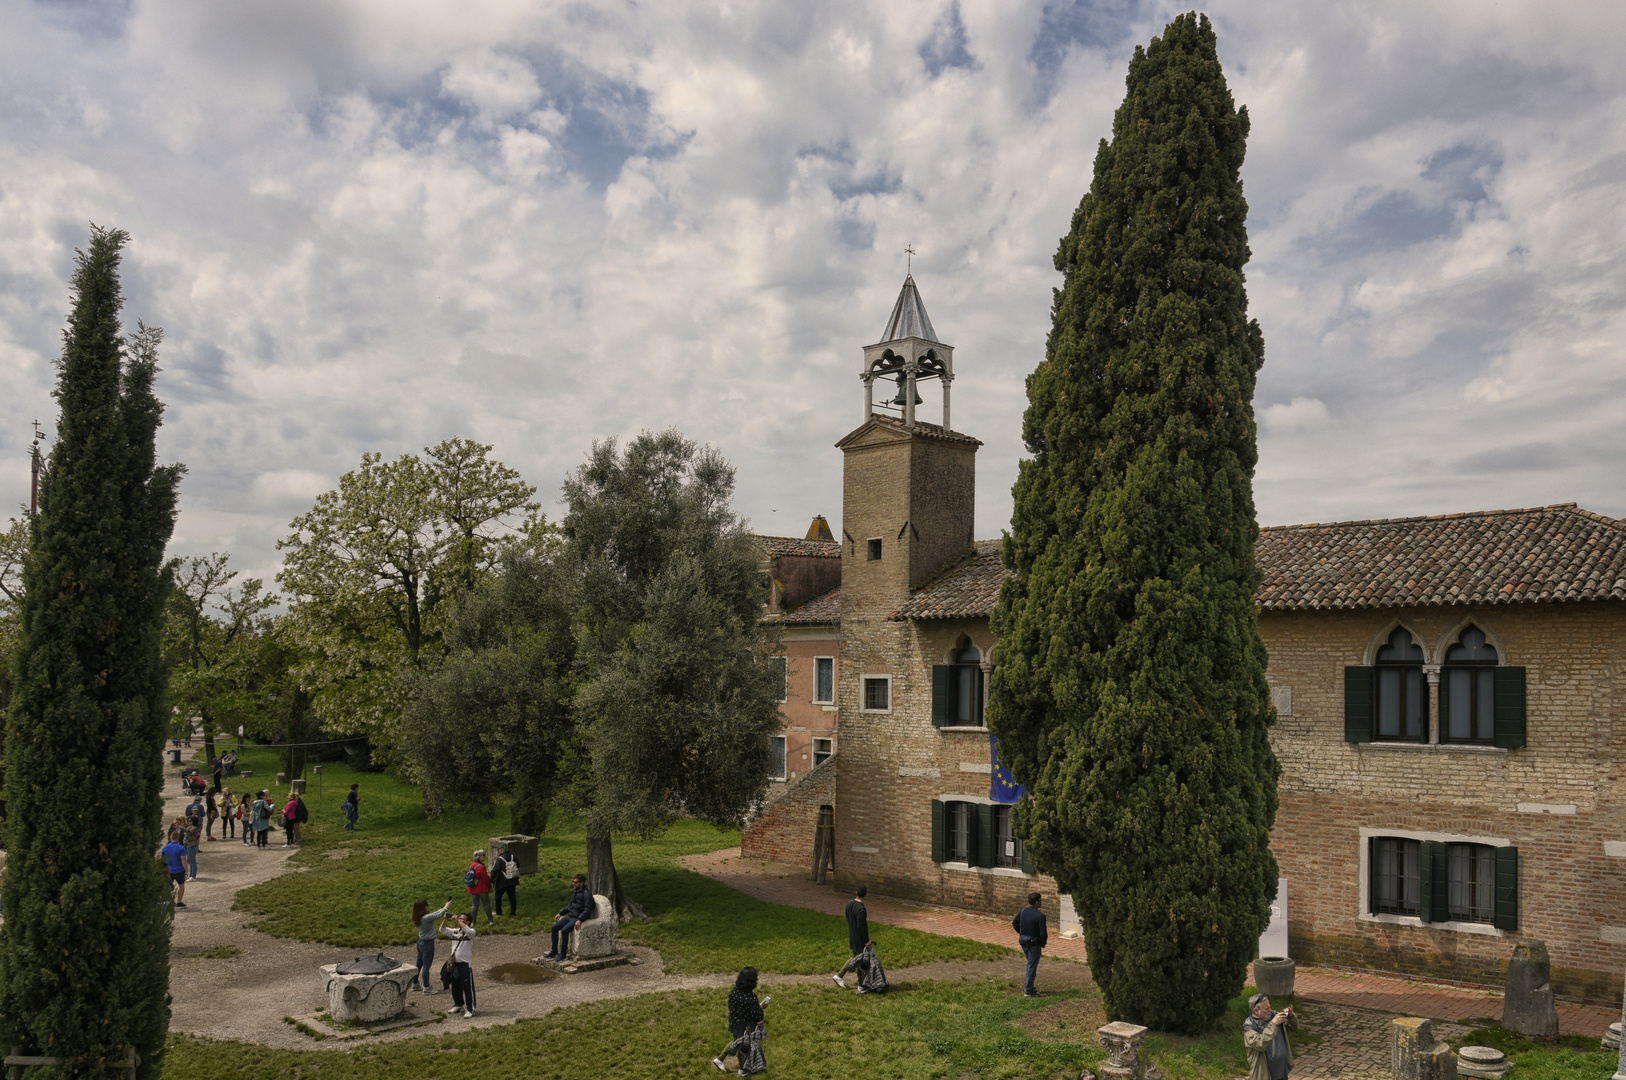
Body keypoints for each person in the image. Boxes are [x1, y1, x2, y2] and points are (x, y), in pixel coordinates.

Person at [712, 967, 768, 1075]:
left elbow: (733, 1006)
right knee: (743, 1047)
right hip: (744, 1026)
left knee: (736, 1041)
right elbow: (756, 1014)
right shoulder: (751, 997)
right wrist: (761, 1008)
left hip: (734, 1022)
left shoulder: (734, 991)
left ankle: (720, 1060)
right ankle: (742, 1069)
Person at [1244, 993, 1297, 1080]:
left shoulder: (1274, 1016)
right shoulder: (1249, 1027)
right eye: (1267, 1008)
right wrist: (1273, 1024)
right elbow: (1260, 1044)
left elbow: (1294, 1028)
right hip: (1265, 1074)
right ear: (1256, 1010)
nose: (1270, 1010)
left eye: (1270, 1007)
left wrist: (1291, 1017)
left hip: (1282, 1070)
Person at [543, 874, 594, 961]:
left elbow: (588, 909)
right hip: (571, 916)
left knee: (564, 930)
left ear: (581, 883)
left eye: (575, 882)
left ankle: (563, 954)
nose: (573, 884)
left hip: (577, 917)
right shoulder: (575, 892)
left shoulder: (586, 894)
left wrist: (580, 919)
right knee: (554, 928)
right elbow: (570, 905)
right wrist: (560, 913)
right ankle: (554, 950)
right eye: (573, 882)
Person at [438, 911, 478, 1018]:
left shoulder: (471, 932)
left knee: (467, 987)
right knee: (455, 986)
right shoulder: (455, 932)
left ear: (468, 922)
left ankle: (471, 1009)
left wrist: (458, 921)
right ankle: (458, 1004)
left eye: (462, 919)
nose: (459, 920)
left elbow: (467, 931)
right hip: (455, 964)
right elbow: (442, 929)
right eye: (459, 918)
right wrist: (445, 919)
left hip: (465, 964)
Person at [410, 898, 452, 994]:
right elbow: (437, 915)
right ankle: (426, 987)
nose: (427, 906)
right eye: (426, 905)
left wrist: (443, 907)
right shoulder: (426, 918)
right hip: (428, 944)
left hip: (420, 943)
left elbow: (434, 913)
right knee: (426, 966)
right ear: (423, 907)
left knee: (418, 965)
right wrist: (446, 907)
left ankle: (415, 983)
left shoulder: (418, 917)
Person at [1012, 891, 1048, 997]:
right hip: (1034, 944)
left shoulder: (1023, 911)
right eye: (1040, 900)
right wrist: (1043, 943)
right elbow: (1043, 933)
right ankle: (1029, 990)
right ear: (1037, 902)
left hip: (1023, 942)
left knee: (1030, 964)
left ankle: (1030, 985)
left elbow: (1015, 922)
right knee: (1032, 965)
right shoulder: (1040, 916)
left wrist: (1022, 932)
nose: (1041, 902)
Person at [465, 850, 494, 926]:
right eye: (483, 855)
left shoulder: (472, 865)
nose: (484, 856)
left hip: (473, 889)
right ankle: (491, 921)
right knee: (486, 904)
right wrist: (490, 887)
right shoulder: (481, 867)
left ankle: (472, 922)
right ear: (479, 857)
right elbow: (486, 878)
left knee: (475, 905)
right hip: (482, 889)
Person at [159, 834, 188, 908]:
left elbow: (163, 860)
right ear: (178, 838)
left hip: (169, 870)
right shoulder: (181, 848)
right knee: (181, 885)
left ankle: (170, 900)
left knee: (167, 887)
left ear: (170, 837)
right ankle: (179, 901)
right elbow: (183, 859)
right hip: (179, 870)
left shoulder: (165, 848)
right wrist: (186, 870)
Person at [492, 844, 520, 917]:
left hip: (502, 882)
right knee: (512, 897)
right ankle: (513, 913)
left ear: (501, 850)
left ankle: (499, 913)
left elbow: (495, 870)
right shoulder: (513, 857)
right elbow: (518, 865)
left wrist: (492, 879)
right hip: (513, 881)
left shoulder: (500, 859)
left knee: (498, 897)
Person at [844, 885, 870, 956]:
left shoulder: (849, 903)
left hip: (852, 937)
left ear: (856, 893)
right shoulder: (861, 909)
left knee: (855, 958)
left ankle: (847, 967)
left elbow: (847, 915)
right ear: (865, 895)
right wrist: (867, 941)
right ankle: (845, 968)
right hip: (859, 941)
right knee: (859, 960)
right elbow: (862, 927)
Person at [181, 817, 202, 882]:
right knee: (190, 861)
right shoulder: (188, 827)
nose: (188, 822)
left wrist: (181, 827)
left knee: (193, 862)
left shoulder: (194, 828)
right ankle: (190, 875)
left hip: (192, 846)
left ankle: (193, 876)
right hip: (187, 846)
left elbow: (188, 831)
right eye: (188, 820)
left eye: (190, 821)